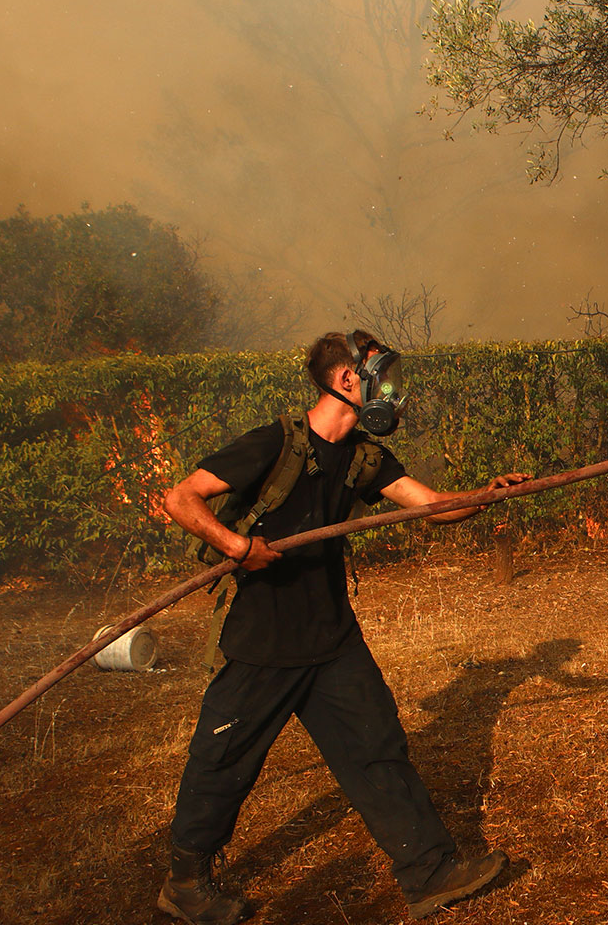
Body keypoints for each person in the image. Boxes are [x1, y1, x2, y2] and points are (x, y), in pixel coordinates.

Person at [158, 330, 529, 924]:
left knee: (377, 748)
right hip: (263, 642)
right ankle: (185, 885)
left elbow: (430, 504)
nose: (393, 391)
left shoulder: (363, 457)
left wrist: (485, 496)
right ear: (346, 380)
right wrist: (237, 546)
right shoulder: (273, 443)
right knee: (222, 762)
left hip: (332, 639)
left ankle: (429, 872)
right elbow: (181, 498)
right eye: (382, 376)